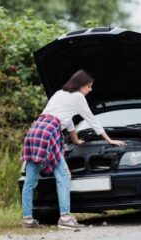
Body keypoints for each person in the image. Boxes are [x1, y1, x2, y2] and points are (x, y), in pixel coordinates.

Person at [21, 69, 126, 229]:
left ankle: (27, 220)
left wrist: (75, 140)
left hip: (35, 130)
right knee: (63, 176)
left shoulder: (59, 93)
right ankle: (65, 218)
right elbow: (91, 119)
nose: (90, 90)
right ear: (81, 85)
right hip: (50, 132)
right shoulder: (78, 96)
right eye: (89, 86)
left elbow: (66, 118)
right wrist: (109, 139)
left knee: (30, 180)